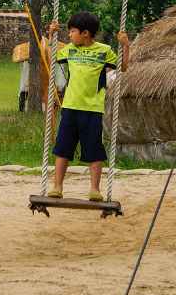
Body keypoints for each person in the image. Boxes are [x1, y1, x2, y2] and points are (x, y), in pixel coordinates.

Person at [47, 11, 130, 202]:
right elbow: (51, 59)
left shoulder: (104, 51)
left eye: (72, 31)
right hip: (70, 107)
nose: (69, 35)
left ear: (85, 33)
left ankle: (94, 189)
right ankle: (57, 186)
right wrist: (51, 36)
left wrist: (125, 45)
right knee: (62, 148)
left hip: (93, 109)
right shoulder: (69, 50)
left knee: (94, 150)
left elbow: (123, 67)